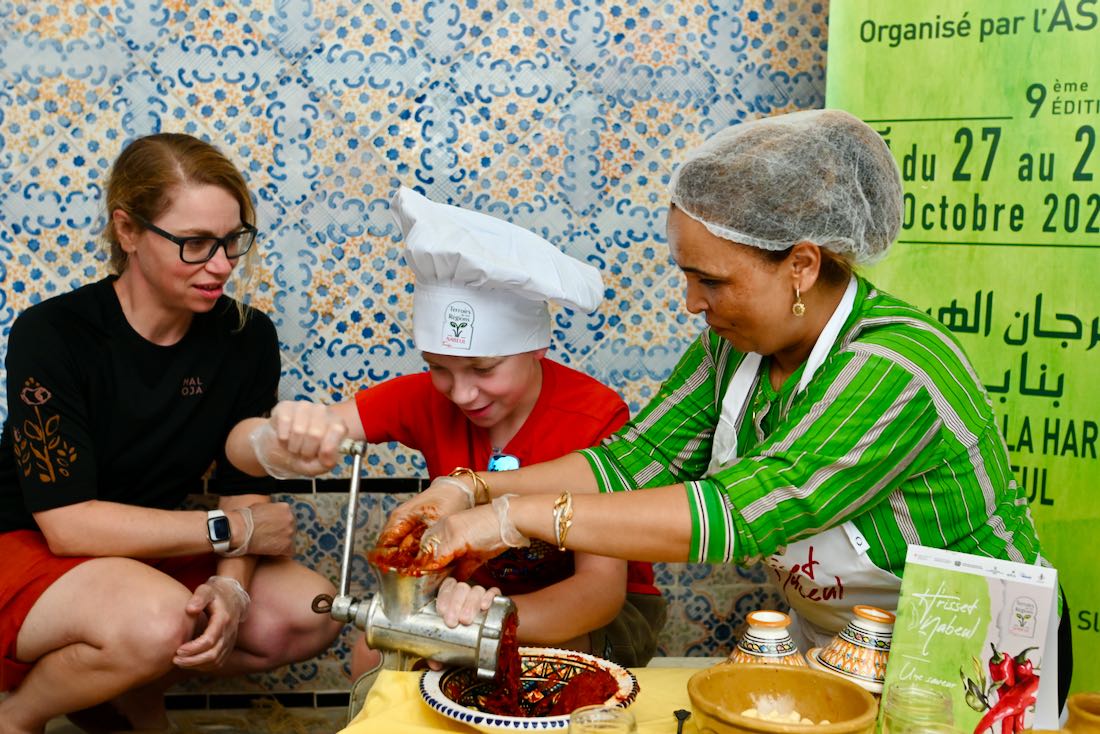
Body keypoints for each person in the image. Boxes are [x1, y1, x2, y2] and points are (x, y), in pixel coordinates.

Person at [373, 110, 1072, 708]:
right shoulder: (733, 349)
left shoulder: (896, 367)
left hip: (973, 648)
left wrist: (512, 519)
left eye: (711, 280)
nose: (692, 303)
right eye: (687, 276)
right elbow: (633, 462)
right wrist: (472, 488)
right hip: (841, 642)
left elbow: (740, 512)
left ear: (801, 265)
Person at [232, 186, 666, 673]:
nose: (461, 393)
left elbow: (598, 594)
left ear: (537, 347)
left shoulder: (595, 414)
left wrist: (481, 623)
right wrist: (281, 436)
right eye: (439, 367)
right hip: (470, 599)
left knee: (532, 664)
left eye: (483, 369)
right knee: (373, 655)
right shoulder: (426, 397)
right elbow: (239, 450)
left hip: (597, 612)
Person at [0, 133, 341, 734]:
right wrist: (231, 531)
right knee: (159, 620)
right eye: (195, 243)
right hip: (25, 545)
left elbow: (242, 482)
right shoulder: (52, 333)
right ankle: (19, 717)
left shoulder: (246, 336)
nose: (222, 265)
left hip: (144, 554)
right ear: (128, 231)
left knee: (309, 612)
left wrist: (232, 592)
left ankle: (122, 697)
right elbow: (68, 524)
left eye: (232, 240)